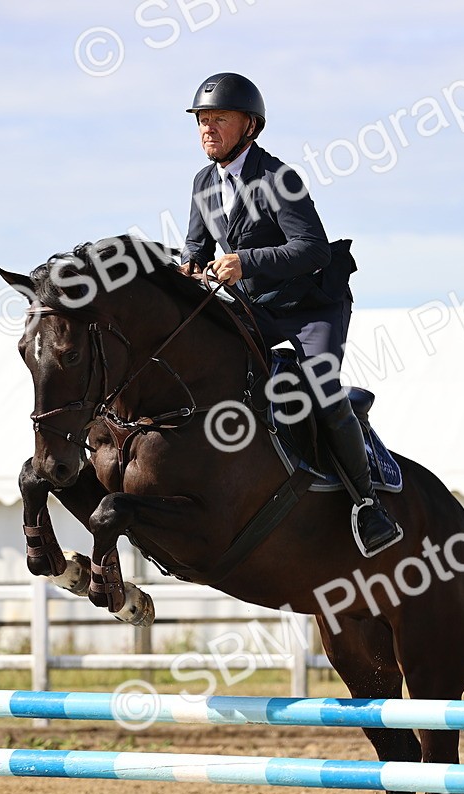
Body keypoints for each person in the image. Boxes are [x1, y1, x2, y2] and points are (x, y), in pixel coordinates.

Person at [179, 72, 403, 557]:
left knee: (320, 388)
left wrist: (246, 262)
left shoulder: (278, 178)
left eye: (218, 119)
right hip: (257, 308)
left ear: (250, 126)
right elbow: (196, 250)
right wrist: (183, 272)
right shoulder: (202, 183)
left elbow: (313, 250)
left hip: (310, 309)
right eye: (201, 120)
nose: (207, 129)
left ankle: (367, 504)